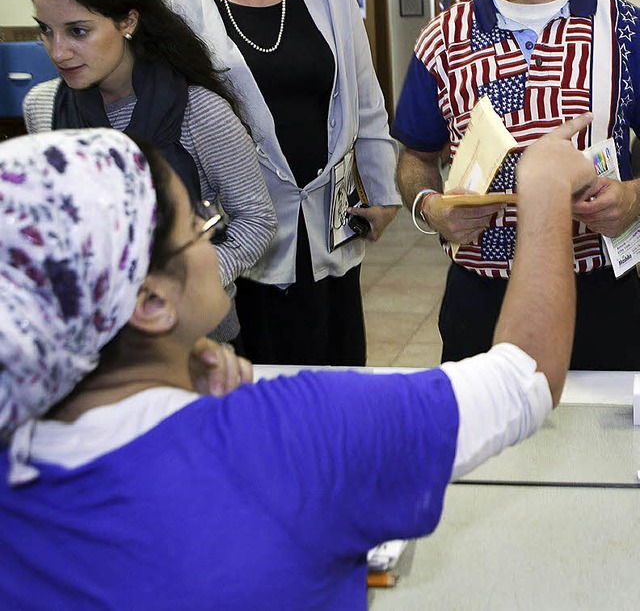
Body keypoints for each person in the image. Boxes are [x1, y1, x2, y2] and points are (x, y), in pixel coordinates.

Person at [0, 115, 596, 609]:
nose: (212, 237)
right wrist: (542, 186)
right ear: (152, 302)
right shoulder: (294, 435)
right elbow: (525, 378)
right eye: (197, 226)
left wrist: (170, 355)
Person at [392, 0, 640, 371]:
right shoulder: (444, 37)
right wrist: (428, 208)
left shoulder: (622, 30)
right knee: (487, 451)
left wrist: (635, 198)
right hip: (479, 298)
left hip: (597, 294)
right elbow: (415, 158)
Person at [170, 0, 401, 366]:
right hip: (244, 224)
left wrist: (383, 195)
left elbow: (367, 103)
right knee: (264, 375)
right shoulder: (183, 10)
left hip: (330, 216)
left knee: (337, 368)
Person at [20, 0, 277, 347]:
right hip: (95, 346)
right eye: (45, 31)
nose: (58, 51)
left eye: (78, 31)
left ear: (128, 22)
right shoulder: (42, 108)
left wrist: (183, 284)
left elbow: (257, 222)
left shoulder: (198, 111)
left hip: (197, 340)